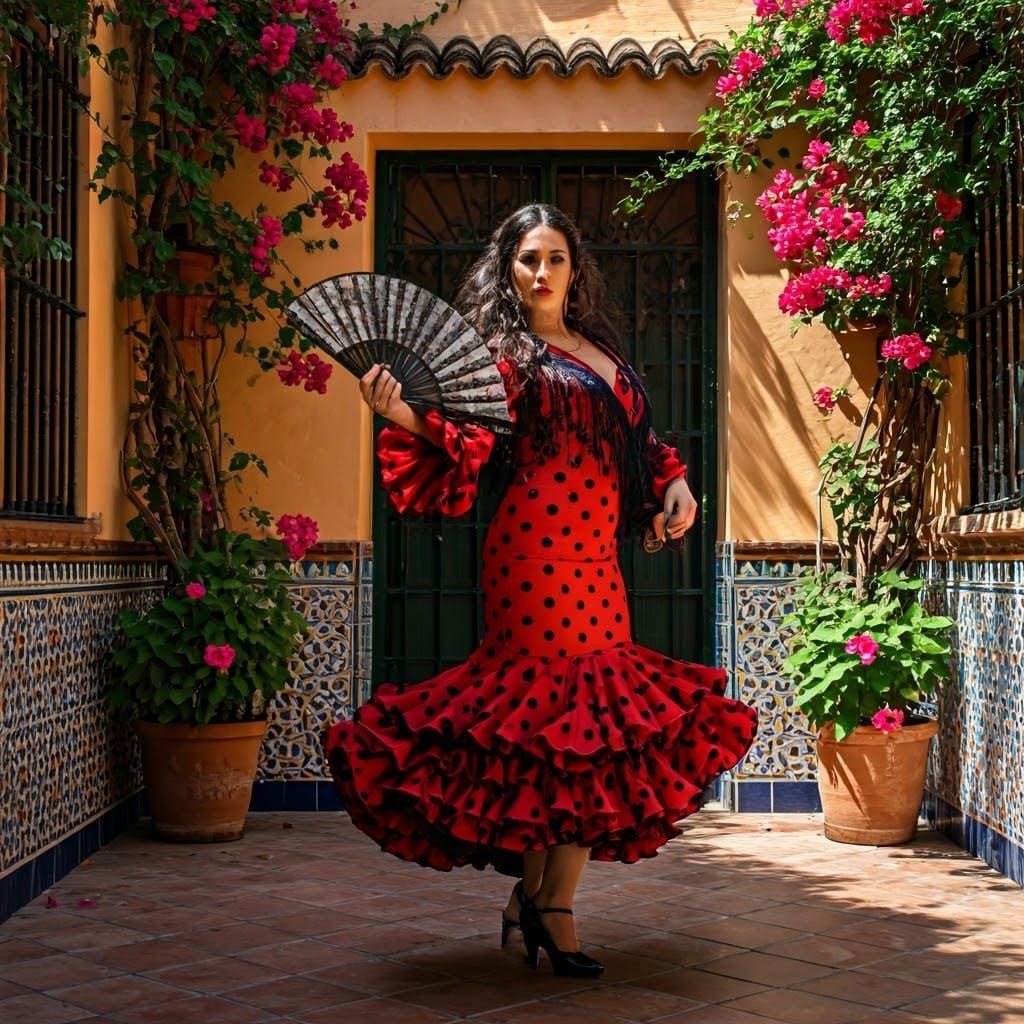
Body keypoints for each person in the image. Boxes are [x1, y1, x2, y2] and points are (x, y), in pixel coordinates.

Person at [324, 203, 758, 978]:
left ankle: (535, 903)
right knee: (552, 716)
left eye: (554, 258)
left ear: (574, 267)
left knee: (589, 726)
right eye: (528, 259)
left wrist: (677, 482)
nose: (541, 272)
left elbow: (639, 440)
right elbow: (470, 439)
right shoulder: (501, 357)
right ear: (509, 268)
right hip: (531, 554)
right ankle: (554, 911)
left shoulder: (601, 352)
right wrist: (404, 415)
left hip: (596, 560)